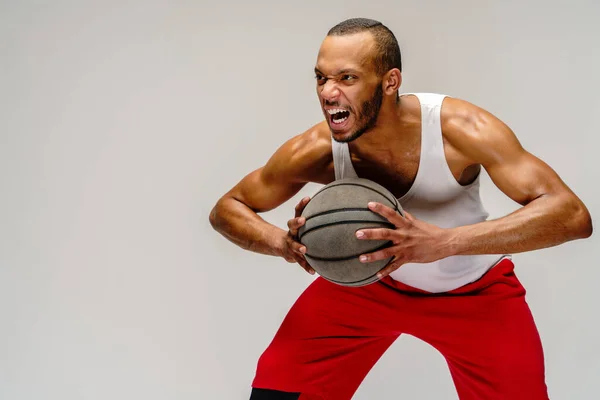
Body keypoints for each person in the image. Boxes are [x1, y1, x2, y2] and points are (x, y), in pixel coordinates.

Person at [209, 17, 592, 400]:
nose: (328, 93)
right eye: (321, 78)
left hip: (473, 292)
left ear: (390, 82)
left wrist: (444, 243)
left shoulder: (458, 129)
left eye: (347, 78)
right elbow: (228, 207)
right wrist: (282, 243)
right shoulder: (318, 150)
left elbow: (571, 215)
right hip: (369, 286)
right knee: (277, 391)